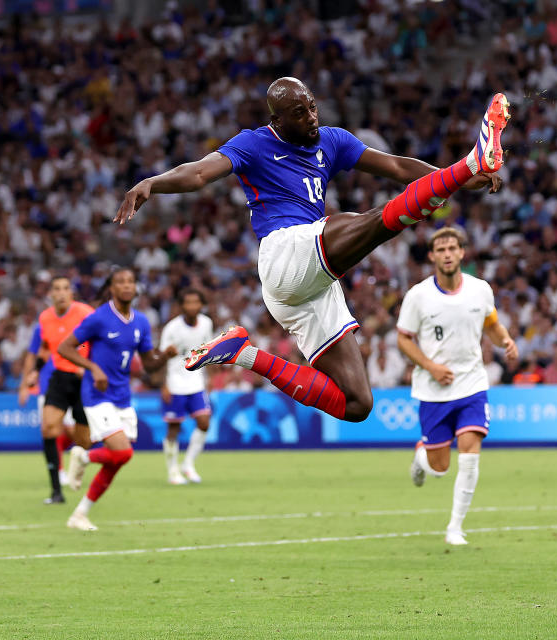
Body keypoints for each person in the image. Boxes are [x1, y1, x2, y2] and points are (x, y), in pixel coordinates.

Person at [114, 77, 508, 423]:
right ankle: (469, 161)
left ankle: (242, 352)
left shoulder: (332, 140)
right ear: (278, 120)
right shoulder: (253, 144)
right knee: (363, 222)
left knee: (357, 403)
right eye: (299, 113)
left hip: (312, 287)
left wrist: (459, 183)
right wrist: (154, 182)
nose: (311, 118)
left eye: (313, 107)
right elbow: (199, 172)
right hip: (284, 255)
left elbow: (399, 168)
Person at [395, 227, 518, 545]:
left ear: (462, 253)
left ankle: (455, 527)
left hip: (472, 384)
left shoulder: (480, 290)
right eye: (441, 249)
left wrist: (504, 340)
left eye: (452, 248)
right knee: (439, 468)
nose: (447, 253)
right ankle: (422, 456)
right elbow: (403, 339)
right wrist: (431, 366)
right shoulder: (418, 295)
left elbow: (490, 323)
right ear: (432, 256)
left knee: (470, 454)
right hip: (433, 390)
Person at [57, 268, 175, 531]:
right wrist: (93, 368)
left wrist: (165, 356)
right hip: (97, 396)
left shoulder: (141, 322)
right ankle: (83, 456)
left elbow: (149, 365)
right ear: (111, 287)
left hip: (123, 396)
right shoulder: (99, 318)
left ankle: (80, 513)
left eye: (131, 281)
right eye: (120, 282)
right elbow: (64, 347)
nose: (126, 286)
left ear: (135, 287)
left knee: (120, 458)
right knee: (121, 451)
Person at [19, 277, 94, 505]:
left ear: (71, 293)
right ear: (50, 294)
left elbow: (95, 340)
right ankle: (56, 492)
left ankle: (78, 464)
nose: (61, 293)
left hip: (84, 379)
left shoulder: (84, 312)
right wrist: (33, 374)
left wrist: (86, 362)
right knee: (49, 428)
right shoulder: (45, 318)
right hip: (59, 378)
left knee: (85, 441)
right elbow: (44, 348)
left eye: (65, 288)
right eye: (56, 289)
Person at [158, 288, 214, 484]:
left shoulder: (206, 323)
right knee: (174, 428)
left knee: (204, 423)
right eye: (188, 302)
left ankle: (188, 464)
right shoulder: (172, 328)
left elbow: (209, 353)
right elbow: (161, 357)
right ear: (181, 306)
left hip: (196, 381)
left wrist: (209, 379)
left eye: (195, 302)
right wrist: (164, 384)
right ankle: (173, 470)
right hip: (175, 382)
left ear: (201, 304)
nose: (192, 306)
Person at [17, 325, 77, 494]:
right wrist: (24, 386)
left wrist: (84, 361)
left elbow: (86, 345)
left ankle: (80, 460)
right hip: (48, 385)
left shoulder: (79, 320)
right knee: (51, 429)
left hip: (73, 382)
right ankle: (59, 471)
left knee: (75, 431)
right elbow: (32, 355)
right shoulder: (43, 325)